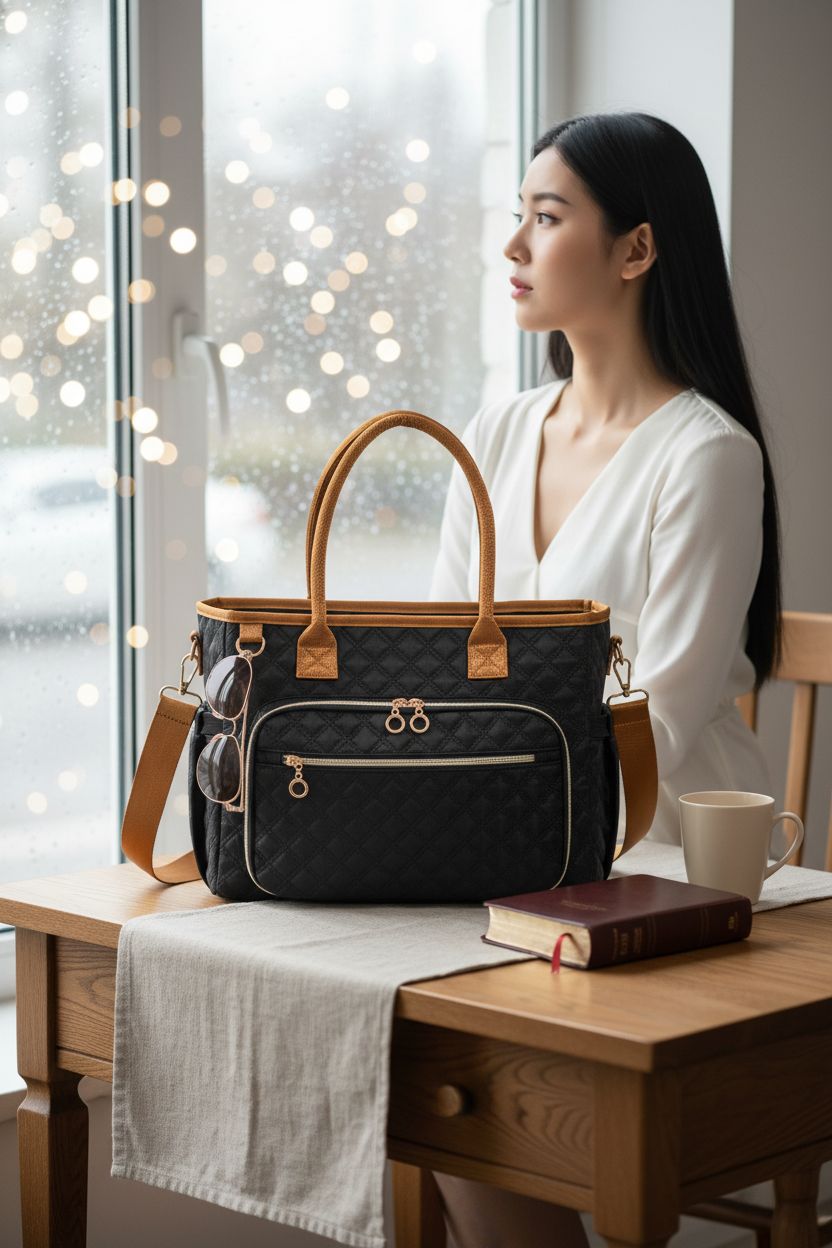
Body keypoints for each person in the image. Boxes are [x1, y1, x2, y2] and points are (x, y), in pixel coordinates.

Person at [426, 110, 783, 1248]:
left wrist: (484, 817)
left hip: (652, 852)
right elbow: (437, 652)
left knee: (462, 1042)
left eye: (546, 217)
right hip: (504, 833)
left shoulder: (706, 453)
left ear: (635, 248)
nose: (514, 247)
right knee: (415, 1046)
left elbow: (664, 712)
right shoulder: (493, 431)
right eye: (517, 217)